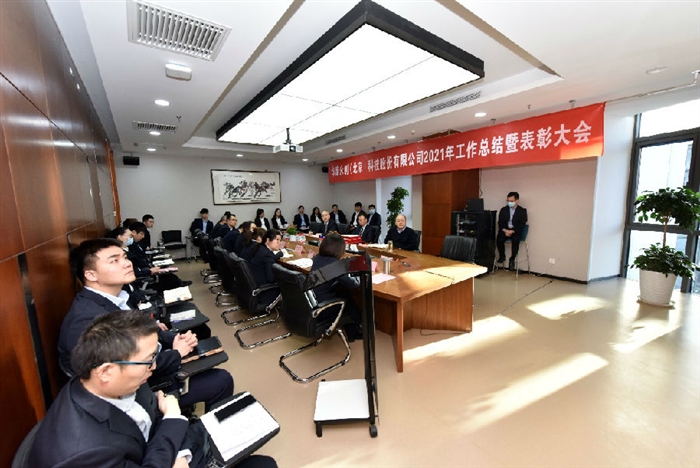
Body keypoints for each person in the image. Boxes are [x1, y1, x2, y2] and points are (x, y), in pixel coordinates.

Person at [30, 310, 277, 468]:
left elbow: (154, 420)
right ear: (105, 371)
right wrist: (173, 423)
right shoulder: (83, 453)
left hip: (163, 446)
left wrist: (177, 442)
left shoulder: (115, 382)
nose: (155, 366)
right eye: (149, 360)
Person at [58, 238, 233, 412]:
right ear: (91, 275)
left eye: (125, 257)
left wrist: (174, 339)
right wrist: (177, 353)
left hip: (155, 360)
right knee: (221, 380)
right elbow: (126, 371)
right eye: (114, 261)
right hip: (140, 390)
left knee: (203, 338)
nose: (127, 263)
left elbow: (144, 329)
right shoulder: (87, 321)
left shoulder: (118, 297)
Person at [310, 234, 362, 341]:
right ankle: (357, 328)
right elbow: (354, 284)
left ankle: (353, 331)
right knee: (348, 301)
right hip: (322, 307)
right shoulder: (335, 265)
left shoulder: (317, 258)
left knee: (345, 294)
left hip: (311, 301)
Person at [250, 229, 283, 305]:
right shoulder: (267, 255)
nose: (279, 243)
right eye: (277, 240)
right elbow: (271, 278)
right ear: (268, 240)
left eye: (280, 240)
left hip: (256, 285)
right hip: (265, 292)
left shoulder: (260, 248)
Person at [496, 191, 528, 271]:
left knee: (515, 240)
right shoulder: (503, 210)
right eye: (508, 201)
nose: (509, 203)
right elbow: (500, 222)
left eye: (511, 201)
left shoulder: (522, 211)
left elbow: (522, 224)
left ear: (517, 201)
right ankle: (502, 256)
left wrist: (512, 231)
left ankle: (512, 259)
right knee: (499, 239)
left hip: (515, 230)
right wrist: (505, 230)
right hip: (505, 230)